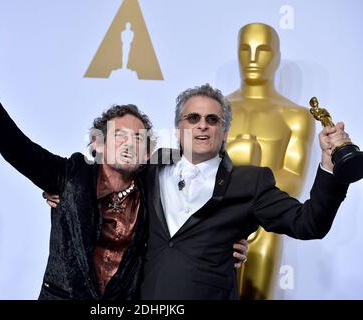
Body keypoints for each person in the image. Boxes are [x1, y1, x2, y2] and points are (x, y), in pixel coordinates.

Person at [0, 56, 247, 300]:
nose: (129, 144)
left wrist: (226, 240)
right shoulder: (70, 177)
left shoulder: (156, 185)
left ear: (148, 152)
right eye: (119, 136)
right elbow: (16, 146)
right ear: (98, 144)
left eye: (139, 139)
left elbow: (206, 163)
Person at [137, 83, 351, 299]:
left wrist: (331, 167)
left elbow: (309, 223)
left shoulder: (249, 182)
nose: (202, 125)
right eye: (193, 118)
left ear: (225, 133)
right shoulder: (153, 166)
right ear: (177, 129)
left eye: (212, 120)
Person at [225, 23, 316, 299]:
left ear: (276, 57)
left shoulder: (296, 116)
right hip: (215, 221)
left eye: (262, 50)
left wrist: (243, 177)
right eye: (245, 50)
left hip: (265, 226)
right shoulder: (215, 111)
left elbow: (294, 180)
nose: (253, 59)